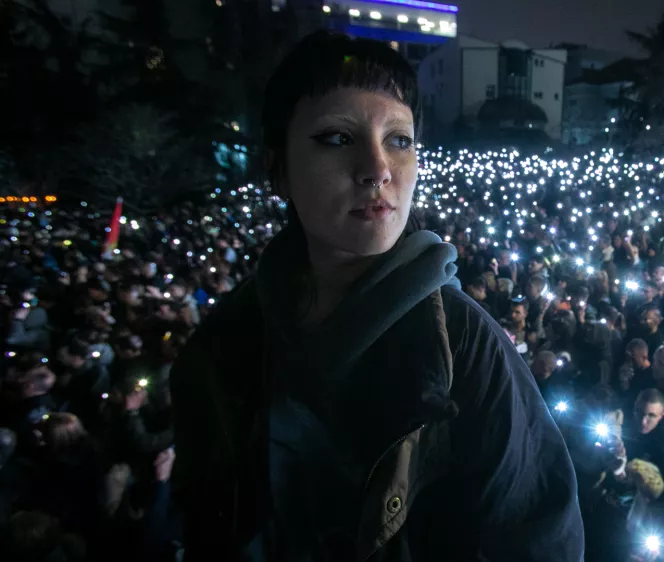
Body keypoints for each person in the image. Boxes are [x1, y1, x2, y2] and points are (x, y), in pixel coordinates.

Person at [170, 32, 583, 561]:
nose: (377, 169)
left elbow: (536, 538)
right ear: (278, 169)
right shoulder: (219, 351)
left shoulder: (463, 343)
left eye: (399, 139)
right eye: (337, 138)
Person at [627, 389, 664, 510]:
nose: (643, 422)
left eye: (651, 416)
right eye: (640, 412)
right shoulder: (631, 418)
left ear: (662, 415)